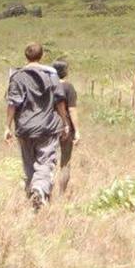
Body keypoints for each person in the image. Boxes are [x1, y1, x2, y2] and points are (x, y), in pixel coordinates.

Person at [4, 42, 70, 210]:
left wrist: (7, 126)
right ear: (41, 56)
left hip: (25, 127)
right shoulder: (51, 74)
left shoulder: (17, 76)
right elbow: (59, 100)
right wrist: (64, 122)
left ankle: (33, 196)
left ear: (26, 56)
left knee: (29, 163)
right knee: (46, 161)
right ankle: (39, 189)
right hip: (47, 127)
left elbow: (12, 103)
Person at [53, 58, 80, 195]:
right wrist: (77, 130)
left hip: (48, 127)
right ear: (64, 71)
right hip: (65, 127)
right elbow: (72, 109)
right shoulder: (68, 87)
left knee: (48, 161)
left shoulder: (48, 86)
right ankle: (61, 193)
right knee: (65, 161)